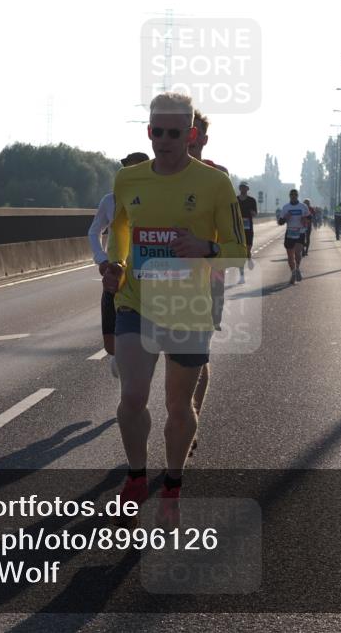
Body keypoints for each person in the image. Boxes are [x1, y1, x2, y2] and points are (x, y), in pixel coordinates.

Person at [104, 92, 246, 525]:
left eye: (173, 133)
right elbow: (122, 228)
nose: (163, 140)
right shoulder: (128, 179)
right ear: (148, 132)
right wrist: (117, 266)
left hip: (187, 308)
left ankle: (172, 484)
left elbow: (239, 252)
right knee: (132, 396)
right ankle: (134, 476)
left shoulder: (215, 184)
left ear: (191, 135)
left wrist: (207, 247)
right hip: (136, 302)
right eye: (155, 132)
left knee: (179, 407)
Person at [186, 109, 228, 458]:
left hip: (208, 281)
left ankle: (190, 417)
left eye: (193, 133)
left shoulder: (217, 178)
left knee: (198, 357)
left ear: (203, 138)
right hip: (160, 283)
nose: (188, 139)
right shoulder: (155, 178)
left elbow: (233, 240)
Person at [88, 152, 150, 378]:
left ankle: (132, 398)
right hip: (116, 277)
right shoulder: (110, 200)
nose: (128, 173)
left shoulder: (156, 200)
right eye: (126, 169)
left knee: (139, 347)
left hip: (145, 279)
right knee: (112, 347)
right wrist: (101, 259)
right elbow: (94, 231)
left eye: (135, 168)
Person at [279, 189, 311, 284]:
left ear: (297, 196)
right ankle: (293, 272)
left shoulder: (303, 206)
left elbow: (310, 217)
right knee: (290, 256)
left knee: (297, 254)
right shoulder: (286, 207)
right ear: (289, 196)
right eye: (292, 194)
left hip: (300, 232)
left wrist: (305, 219)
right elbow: (280, 222)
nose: (293, 196)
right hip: (289, 233)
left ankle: (297, 268)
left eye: (295, 194)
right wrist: (285, 218)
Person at [236, 182, 257, 283]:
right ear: (240, 188)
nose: (243, 189)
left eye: (245, 187)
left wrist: (251, 213)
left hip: (248, 228)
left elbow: (255, 214)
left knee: (247, 250)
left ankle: (249, 257)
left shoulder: (252, 200)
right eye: (241, 187)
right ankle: (241, 276)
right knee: (240, 252)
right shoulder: (235, 200)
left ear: (247, 189)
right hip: (238, 228)